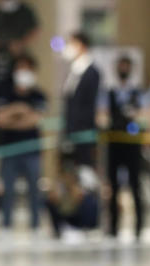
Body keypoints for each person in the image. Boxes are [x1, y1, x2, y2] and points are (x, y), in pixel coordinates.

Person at [0, 53, 46, 232]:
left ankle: (36, 225)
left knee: (34, 189)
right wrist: (20, 110)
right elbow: (0, 119)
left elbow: (35, 120)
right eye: (20, 68)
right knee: (7, 190)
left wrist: (14, 118)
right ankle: (6, 224)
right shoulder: (4, 92)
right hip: (9, 150)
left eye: (27, 69)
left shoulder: (38, 95)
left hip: (32, 150)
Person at [100, 55, 148, 240]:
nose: (123, 69)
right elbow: (102, 116)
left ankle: (139, 227)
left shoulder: (138, 93)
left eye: (126, 66)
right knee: (112, 186)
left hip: (133, 144)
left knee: (135, 185)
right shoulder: (109, 93)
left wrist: (135, 117)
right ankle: (113, 227)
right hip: (114, 144)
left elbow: (146, 115)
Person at [0, 0, 40, 100]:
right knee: (0, 88)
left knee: (22, 83)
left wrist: (20, 44)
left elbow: (35, 30)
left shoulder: (25, 10)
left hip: (20, 54)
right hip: (0, 56)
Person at [61, 32, 101, 167]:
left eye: (72, 43)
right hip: (72, 128)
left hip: (83, 129)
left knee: (85, 166)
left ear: (81, 46)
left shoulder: (91, 72)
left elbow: (88, 103)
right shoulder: (73, 71)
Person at [45, 151, 101, 240]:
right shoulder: (59, 178)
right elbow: (53, 196)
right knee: (48, 200)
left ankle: (88, 228)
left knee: (89, 201)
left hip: (78, 213)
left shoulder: (83, 173)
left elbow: (86, 194)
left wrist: (73, 186)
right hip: (65, 212)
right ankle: (58, 229)